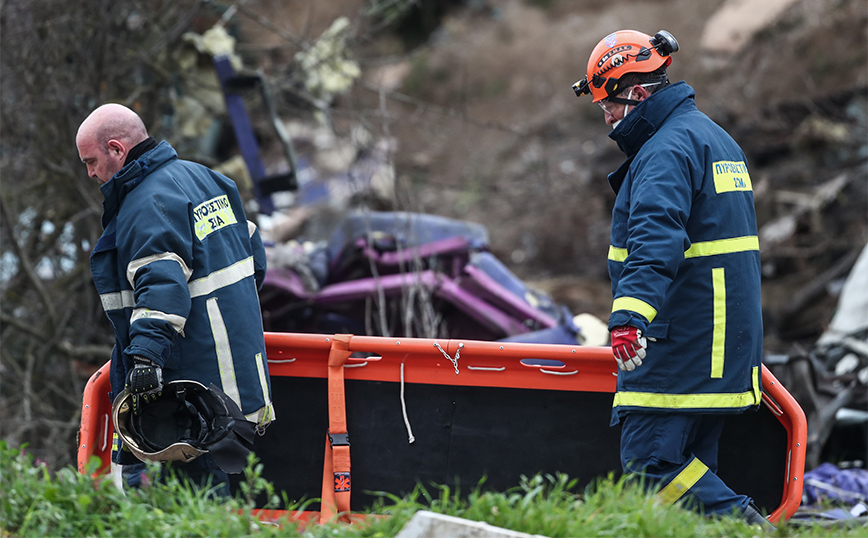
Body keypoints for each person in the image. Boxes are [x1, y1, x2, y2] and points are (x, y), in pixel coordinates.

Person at [572, 31, 771, 526]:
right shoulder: (714, 138)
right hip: (723, 343)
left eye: (609, 106)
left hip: (680, 344)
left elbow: (655, 239)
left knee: (651, 467)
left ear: (637, 93)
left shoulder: (666, 150)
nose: (607, 119)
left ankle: (754, 532)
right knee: (691, 474)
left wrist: (628, 316)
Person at [76, 103, 275, 496]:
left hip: (189, 403)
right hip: (240, 387)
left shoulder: (146, 205)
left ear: (116, 149)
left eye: (92, 161)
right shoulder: (209, 180)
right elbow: (255, 261)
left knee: (183, 512)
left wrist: (146, 360)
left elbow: (161, 287)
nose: (91, 174)